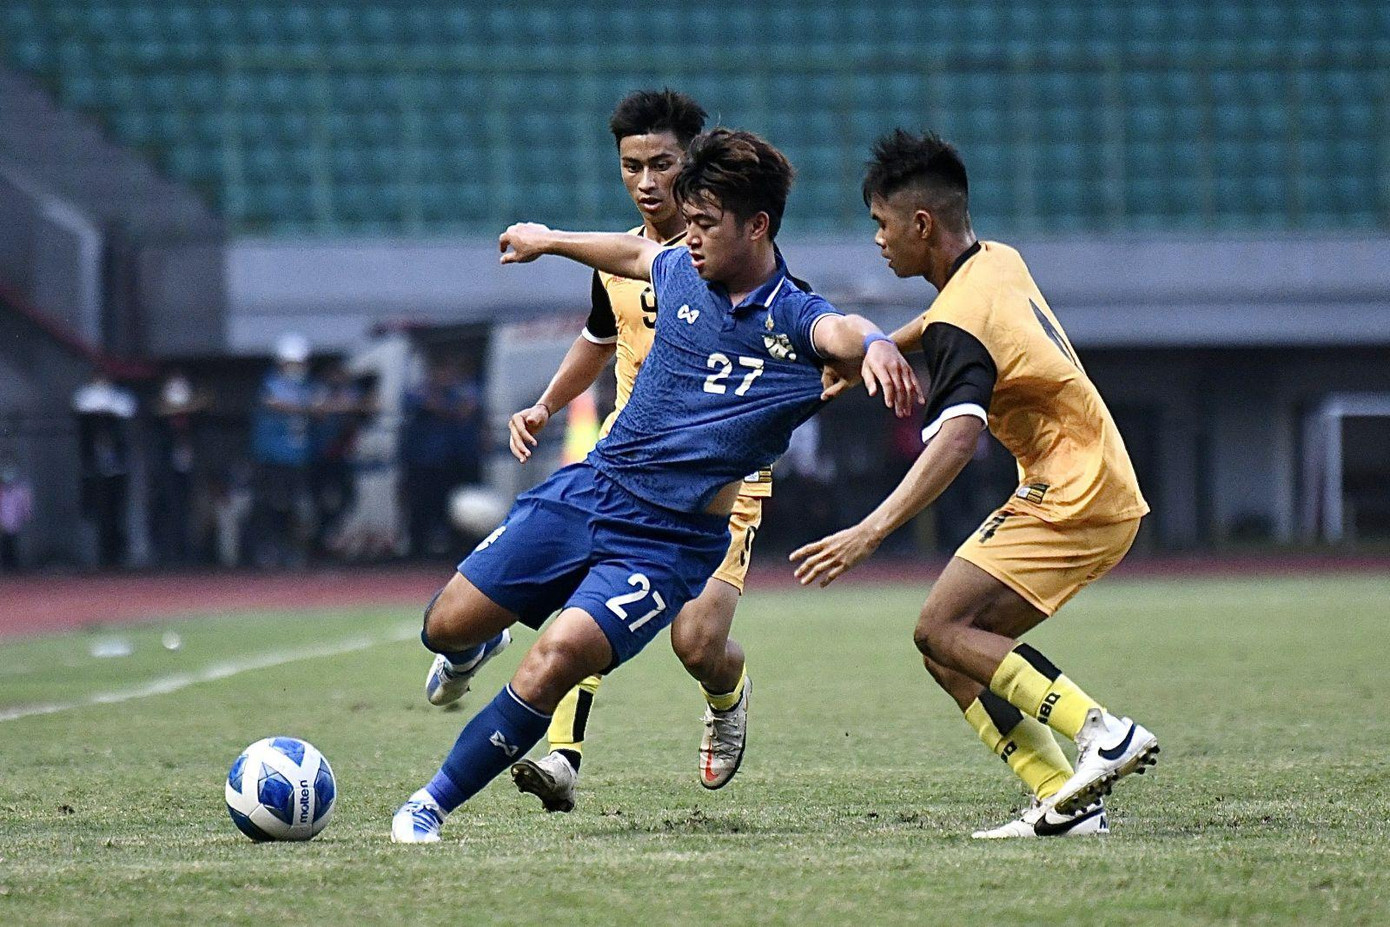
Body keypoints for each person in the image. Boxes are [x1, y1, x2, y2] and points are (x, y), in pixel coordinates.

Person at [390, 127, 922, 843]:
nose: (688, 235)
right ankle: (467, 647)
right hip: (591, 490)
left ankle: (429, 805)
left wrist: (880, 342)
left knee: (559, 655)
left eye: (704, 222)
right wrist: (548, 240)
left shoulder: (790, 315)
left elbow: (841, 329)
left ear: (757, 225)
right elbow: (637, 253)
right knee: (443, 623)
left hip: (666, 545)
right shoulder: (680, 272)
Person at [791, 130, 1157, 839]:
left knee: (940, 625)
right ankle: (1063, 799)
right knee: (946, 647)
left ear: (920, 223)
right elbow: (938, 321)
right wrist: (873, 351)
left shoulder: (965, 318)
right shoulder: (994, 262)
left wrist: (869, 531)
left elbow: (958, 439)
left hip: (1073, 491)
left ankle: (1101, 732)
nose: (878, 240)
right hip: (1094, 484)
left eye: (881, 223)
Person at [496, 89, 773, 812]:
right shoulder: (614, 258)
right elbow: (598, 338)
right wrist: (545, 404)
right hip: (631, 469)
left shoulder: (734, 252)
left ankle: (728, 691)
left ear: (693, 162)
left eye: (662, 164)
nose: (648, 183)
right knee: (583, 603)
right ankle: (562, 756)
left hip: (719, 476)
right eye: (631, 167)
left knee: (696, 641)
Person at [400, 358, 485, 557]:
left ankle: (459, 546)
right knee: (422, 506)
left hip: (455, 459)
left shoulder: (463, 390)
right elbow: (430, 405)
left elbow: (467, 409)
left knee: (457, 504)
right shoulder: (418, 392)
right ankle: (418, 551)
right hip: (425, 461)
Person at [249, 333, 316, 568]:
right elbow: (273, 402)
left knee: (297, 507)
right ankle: (269, 550)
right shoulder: (271, 384)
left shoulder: (306, 387)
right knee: (273, 505)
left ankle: (293, 551)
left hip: (297, 459)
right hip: (273, 458)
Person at [73, 373, 137, 568]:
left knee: (116, 513)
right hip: (95, 474)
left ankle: (116, 555)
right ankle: (100, 556)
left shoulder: (118, 408)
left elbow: (127, 408)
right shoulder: (87, 410)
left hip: (115, 472)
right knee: (97, 515)